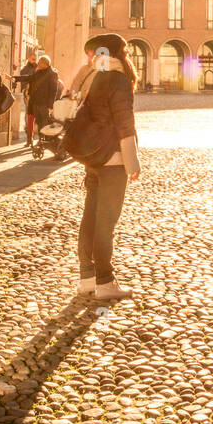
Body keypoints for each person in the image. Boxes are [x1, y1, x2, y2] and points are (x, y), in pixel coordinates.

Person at [75, 32, 141, 303]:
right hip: (113, 158)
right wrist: (132, 161)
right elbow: (124, 122)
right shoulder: (118, 79)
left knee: (90, 217)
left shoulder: (93, 76)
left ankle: (87, 278)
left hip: (92, 156)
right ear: (120, 54)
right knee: (106, 221)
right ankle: (105, 281)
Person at [27, 55, 62, 140]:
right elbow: (29, 78)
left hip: (45, 105)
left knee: (45, 124)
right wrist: (14, 79)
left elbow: (54, 91)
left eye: (39, 62)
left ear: (45, 64)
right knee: (39, 123)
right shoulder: (38, 72)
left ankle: (46, 141)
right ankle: (41, 141)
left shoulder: (53, 74)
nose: (37, 63)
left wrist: (50, 106)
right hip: (36, 103)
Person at [14, 49, 38, 144]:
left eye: (35, 59)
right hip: (28, 94)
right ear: (28, 58)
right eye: (33, 59)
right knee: (29, 114)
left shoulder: (38, 68)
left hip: (37, 95)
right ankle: (29, 135)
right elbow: (24, 84)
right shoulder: (24, 70)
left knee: (35, 115)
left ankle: (33, 133)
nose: (34, 60)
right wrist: (26, 94)